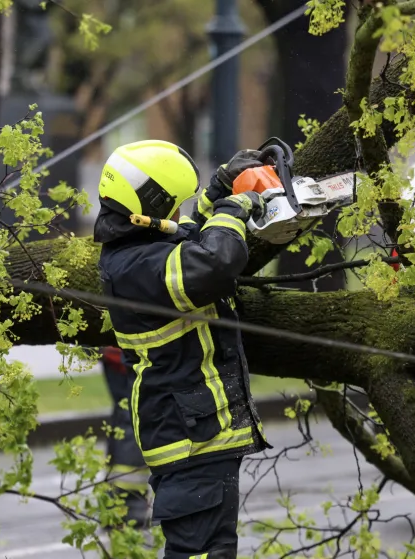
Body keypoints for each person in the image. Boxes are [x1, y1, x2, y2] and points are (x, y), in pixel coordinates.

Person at [93, 140, 271, 559]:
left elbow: (190, 235)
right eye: (175, 205)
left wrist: (219, 189)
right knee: (202, 553)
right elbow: (211, 263)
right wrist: (233, 210)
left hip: (198, 436)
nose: (179, 214)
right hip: (190, 441)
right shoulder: (135, 267)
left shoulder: (140, 246)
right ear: (148, 207)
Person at [99, 345, 151, 529]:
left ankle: (115, 505)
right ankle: (129, 507)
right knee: (132, 418)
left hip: (116, 351)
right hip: (129, 351)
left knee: (124, 416)